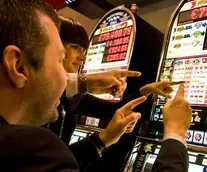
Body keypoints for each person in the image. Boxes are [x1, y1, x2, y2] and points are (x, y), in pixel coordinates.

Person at [0, 0, 146, 171]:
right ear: (18, 66)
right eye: (59, 59)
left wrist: (146, 90)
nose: (67, 78)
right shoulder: (32, 150)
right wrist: (174, 136)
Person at [49, 16, 185, 147]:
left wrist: (147, 89)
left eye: (84, 50)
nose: (83, 57)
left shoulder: (69, 96)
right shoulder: (42, 96)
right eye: (75, 47)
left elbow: (111, 110)